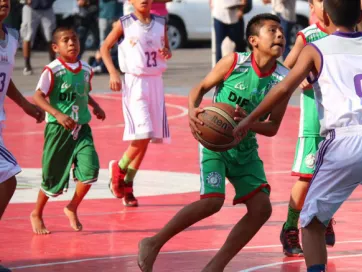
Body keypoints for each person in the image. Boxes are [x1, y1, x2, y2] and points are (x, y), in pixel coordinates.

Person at [234, 1, 362, 271]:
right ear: (360, 14)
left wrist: (250, 119)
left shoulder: (316, 48)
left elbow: (284, 87)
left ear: (325, 15)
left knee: (311, 223)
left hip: (345, 139)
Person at [137, 13, 289, 272]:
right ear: (253, 40)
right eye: (272, 30)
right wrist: (192, 110)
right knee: (212, 201)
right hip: (214, 142)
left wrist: (249, 124)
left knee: (261, 209)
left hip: (245, 146)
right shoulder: (233, 62)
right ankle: (153, 242)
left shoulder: (283, 79)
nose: (279, 35)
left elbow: (273, 127)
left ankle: (214, 267)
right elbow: (200, 88)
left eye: (281, 31)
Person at [30, 26, 106, 235]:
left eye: (75, 39)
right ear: (55, 47)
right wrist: (57, 114)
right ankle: (37, 212)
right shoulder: (52, 70)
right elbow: (37, 97)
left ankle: (72, 206)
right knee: (52, 177)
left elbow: (82, 93)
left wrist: (95, 106)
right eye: (66, 40)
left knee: (91, 170)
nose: (72, 43)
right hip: (58, 130)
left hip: (82, 129)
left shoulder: (86, 69)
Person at [100, 0, 172, 207]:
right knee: (143, 133)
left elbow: (166, 49)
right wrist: (113, 72)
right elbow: (104, 48)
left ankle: (128, 184)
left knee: (147, 138)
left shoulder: (160, 22)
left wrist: (167, 52)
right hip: (135, 82)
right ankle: (119, 169)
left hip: (155, 83)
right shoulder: (124, 23)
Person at [279, 0, 334, 257]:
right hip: (314, 117)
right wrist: (300, 77)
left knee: (335, 173)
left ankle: (324, 217)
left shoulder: (347, 33)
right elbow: (285, 68)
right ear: (312, 5)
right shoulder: (309, 35)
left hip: (339, 119)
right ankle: (290, 227)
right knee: (307, 175)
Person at [0, 0, 44, 221]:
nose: (3, 2)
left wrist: (25, 105)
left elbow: (4, 80)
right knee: (8, 176)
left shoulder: (12, 38)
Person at [20, 0, 56, 75]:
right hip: (30, 8)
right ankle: (27, 65)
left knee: (51, 36)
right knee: (28, 35)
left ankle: (53, 64)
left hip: (47, 8)